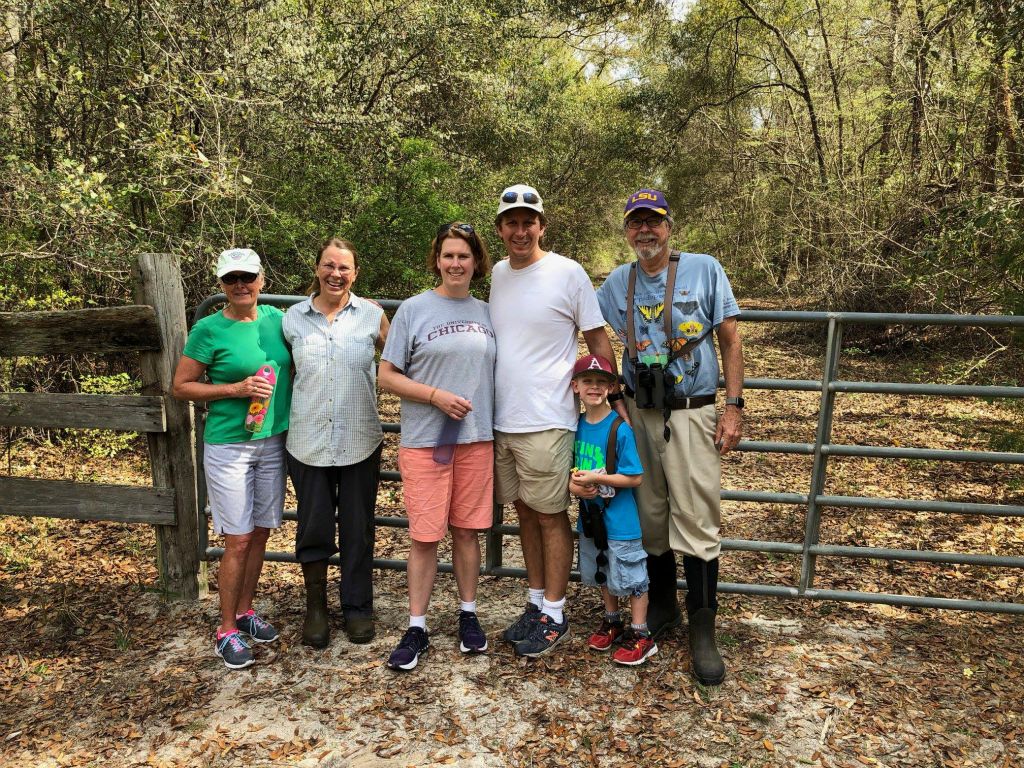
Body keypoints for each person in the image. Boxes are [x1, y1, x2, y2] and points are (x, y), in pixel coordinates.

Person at [596, 188, 744, 685]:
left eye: (653, 221)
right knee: (650, 514)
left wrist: (734, 406)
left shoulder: (704, 269)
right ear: (626, 230)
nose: (645, 231)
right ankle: (662, 609)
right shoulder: (618, 283)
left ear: (669, 225)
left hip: (692, 411)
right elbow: (590, 327)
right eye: (636, 222)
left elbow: (729, 337)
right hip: (639, 410)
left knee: (698, 517)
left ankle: (704, 628)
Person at [489, 184, 627, 658]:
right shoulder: (497, 274)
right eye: (512, 222)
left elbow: (596, 338)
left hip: (548, 417)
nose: (521, 229)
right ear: (501, 229)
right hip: (504, 418)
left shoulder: (568, 273)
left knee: (550, 515)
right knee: (525, 512)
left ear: (542, 226)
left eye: (529, 221)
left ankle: (555, 611)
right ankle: (534, 601)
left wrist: (614, 397)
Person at [378, 222, 496, 671]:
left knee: (467, 532)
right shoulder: (414, 309)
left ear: (476, 262)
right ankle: (417, 626)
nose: (455, 263)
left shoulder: (488, 312)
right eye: (448, 255)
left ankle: (468, 614)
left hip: (476, 439)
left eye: (463, 256)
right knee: (425, 536)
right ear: (437, 260)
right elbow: (387, 375)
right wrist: (434, 395)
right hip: (426, 441)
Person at [172, 248, 292, 670]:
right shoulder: (208, 329)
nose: (240, 286)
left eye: (247, 278)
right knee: (237, 538)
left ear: (262, 280)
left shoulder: (278, 320)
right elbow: (182, 387)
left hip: (273, 439)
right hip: (229, 445)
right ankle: (226, 629)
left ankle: (245, 610)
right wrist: (234, 390)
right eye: (231, 279)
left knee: (260, 532)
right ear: (221, 285)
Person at [283, 238, 390, 648]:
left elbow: (402, 361)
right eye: (329, 265)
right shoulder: (291, 319)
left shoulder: (371, 316)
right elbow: (274, 371)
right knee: (313, 525)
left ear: (355, 274)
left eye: (344, 268)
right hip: (307, 440)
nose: (336, 274)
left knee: (358, 527)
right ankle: (315, 608)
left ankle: (358, 606)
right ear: (317, 269)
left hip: (360, 438)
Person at [567, 354, 656, 666]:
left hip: (621, 521)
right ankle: (612, 619)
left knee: (632, 578)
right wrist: (574, 485)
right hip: (592, 520)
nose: (594, 387)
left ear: (611, 387)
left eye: (601, 382)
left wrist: (598, 478)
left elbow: (635, 476)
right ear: (575, 387)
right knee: (603, 570)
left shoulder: (620, 429)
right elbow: (569, 470)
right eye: (588, 382)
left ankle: (641, 633)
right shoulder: (575, 426)